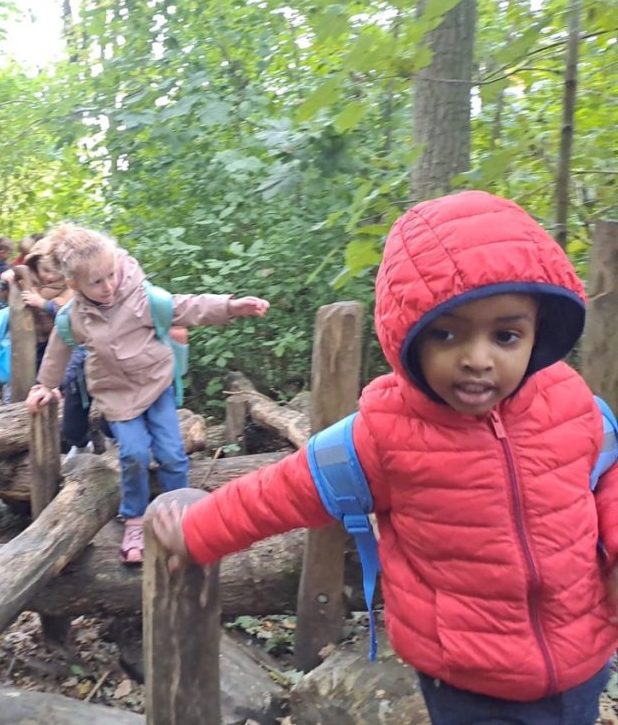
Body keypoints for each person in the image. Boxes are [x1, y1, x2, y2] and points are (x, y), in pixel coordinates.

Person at [150, 191, 618, 725]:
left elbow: (607, 471)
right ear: (408, 336)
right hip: (471, 681)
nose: (478, 359)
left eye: (506, 335)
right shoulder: (386, 434)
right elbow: (283, 491)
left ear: (538, 334)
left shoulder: (570, 403)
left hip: (582, 657)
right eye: (447, 334)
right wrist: (199, 531)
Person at [25, 224, 269, 564]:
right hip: (116, 396)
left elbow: (186, 306)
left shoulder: (140, 295)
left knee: (172, 454)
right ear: (74, 285)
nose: (108, 286)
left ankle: (181, 514)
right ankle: (135, 517)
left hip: (156, 386)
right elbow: (58, 348)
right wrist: (45, 385)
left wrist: (230, 307)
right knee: (134, 454)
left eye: (111, 274)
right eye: (96, 282)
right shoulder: (75, 316)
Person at [0, 237, 74, 370]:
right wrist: (5, 281)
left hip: (55, 337)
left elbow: (63, 309)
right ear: (36, 263)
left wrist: (41, 302)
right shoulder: (26, 275)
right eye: (46, 270)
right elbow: (5, 295)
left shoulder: (66, 285)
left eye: (56, 272)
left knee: (55, 368)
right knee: (32, 368)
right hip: (30, 336)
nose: (50, 276)